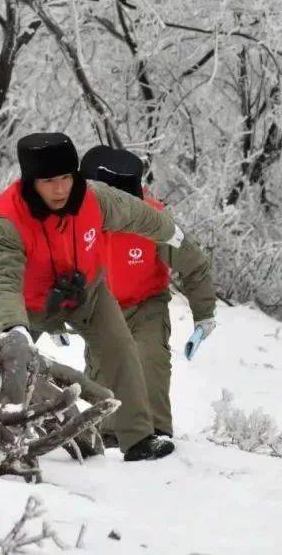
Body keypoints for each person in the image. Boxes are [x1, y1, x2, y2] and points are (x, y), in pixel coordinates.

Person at [0, 132, 184, 462]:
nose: (61, 189)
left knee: (121, 350)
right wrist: (12, 327)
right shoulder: (7, 221)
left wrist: (169, 231)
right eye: (49, 181)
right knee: (1, 363)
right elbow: (2, 280)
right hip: (29, 303)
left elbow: (136, 213)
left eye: (66, 177)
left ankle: (138, 439)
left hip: (88, 293)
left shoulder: (94, 197)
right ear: (31, 181)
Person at [79, 145, 217, 444]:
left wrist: (204, 314)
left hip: (146, 304)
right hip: (99, 305)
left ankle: (154, 433)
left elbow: (194, 265)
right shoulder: (76, 219)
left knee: (148, 357)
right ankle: (107, 435)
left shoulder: (154, 220)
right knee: (105, 365)